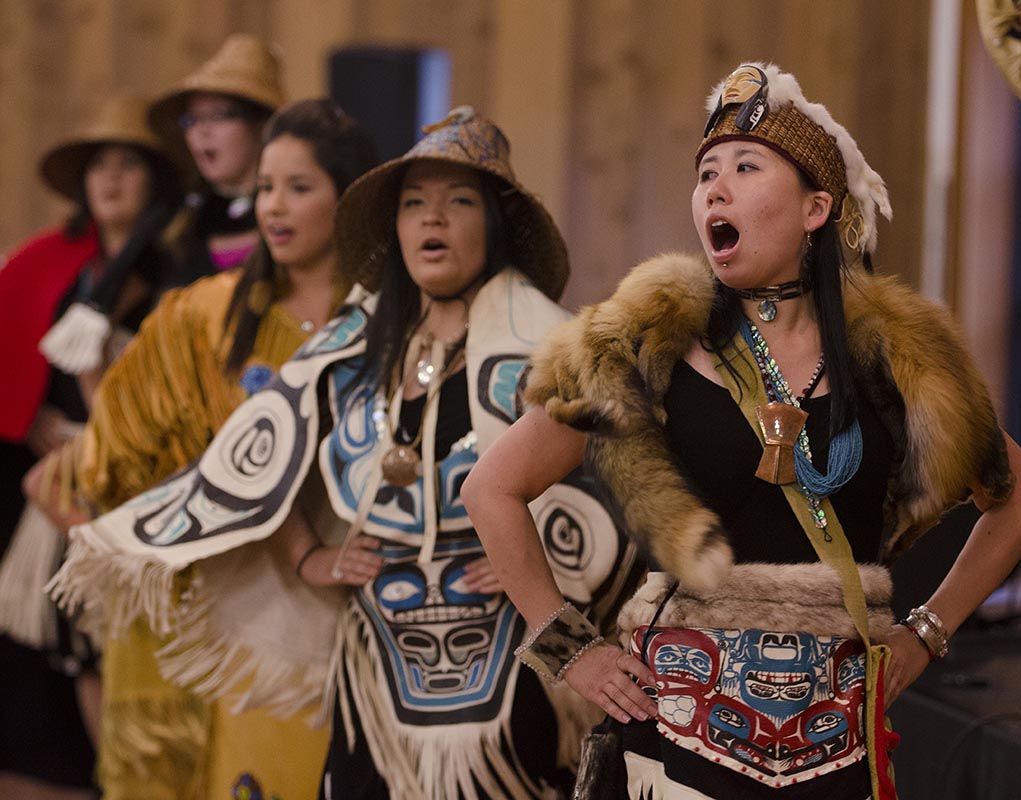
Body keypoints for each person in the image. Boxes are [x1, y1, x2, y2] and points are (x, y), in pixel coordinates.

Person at [461, 63, 1021, 799]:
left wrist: (926, 634)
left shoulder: (900, 362)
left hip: (838, 747)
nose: (716, 186)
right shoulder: (648, 343)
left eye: (746, 167)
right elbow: (492, 488)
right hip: (673, 745)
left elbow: (1018, 496)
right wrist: (569, 648)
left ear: (816, 209)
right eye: (706, 172)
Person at [53, 107, 639, 800]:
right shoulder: (354, 346)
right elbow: (257, 462)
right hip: (377, 665)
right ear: (394, 227)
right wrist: (308, 555)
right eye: (414, 204)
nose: (433, 220)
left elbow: (618, 484)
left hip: (511, 660)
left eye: (457, 202)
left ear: (496, 223)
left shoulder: (554, 347)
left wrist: (532, 546)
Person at [41, 98, 378, 800]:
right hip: (219, 610)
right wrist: (108, 518)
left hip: (354, 609)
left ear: (347, 198)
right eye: (264, 188)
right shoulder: (203, 318)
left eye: (298, 187)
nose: (274, 207)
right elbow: (107, 453)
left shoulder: (387, 318)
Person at [0, 92, 181, 798]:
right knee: (80, 651)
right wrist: (36, 417)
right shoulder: (64, 268)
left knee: (131, 650)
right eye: (98, 165)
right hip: (64, 480)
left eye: (127, 165)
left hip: (137, 482)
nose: (110, 179)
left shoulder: (172, 275)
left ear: (153, 180)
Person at [149, 32, 285, 287]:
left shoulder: (288, 213)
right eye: (192, 119)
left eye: (219, 115)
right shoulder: (179, 222)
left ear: (261, 125)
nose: (202, 130)